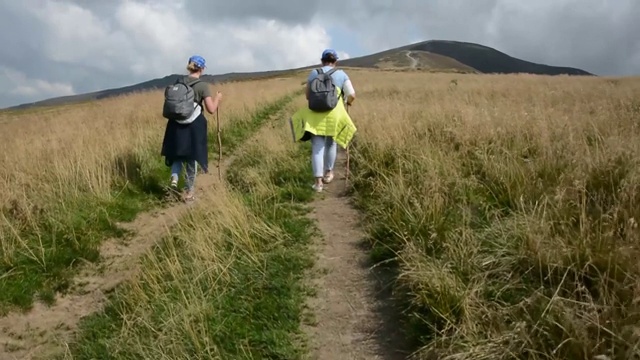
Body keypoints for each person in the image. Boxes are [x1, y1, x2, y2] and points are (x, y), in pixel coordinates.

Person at [290, 48, 357, 192]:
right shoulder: (341, 74)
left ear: (322, 61)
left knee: (317, 148)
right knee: (331, 143)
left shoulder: (314, 73)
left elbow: (308, 96)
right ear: (336, 61)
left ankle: (318, 183)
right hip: (334, 114)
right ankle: (329, 173)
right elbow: (352, 94)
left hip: (315, 114)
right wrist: (347, 101)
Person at [161, 55, 222, 202]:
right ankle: (189, 193)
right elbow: (211, 109)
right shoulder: (203, 86)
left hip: (175, 124)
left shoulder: (178, 82)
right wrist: (218, 98)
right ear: (201, 68)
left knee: (178, 155)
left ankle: (174, 179)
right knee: (191, 158)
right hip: (193, 126)